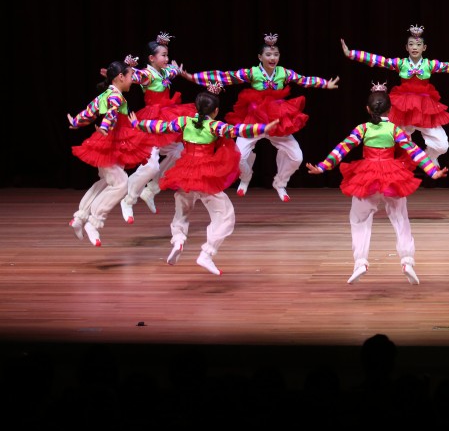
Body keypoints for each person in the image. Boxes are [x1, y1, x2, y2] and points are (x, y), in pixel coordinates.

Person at [305, 83, 448, 285]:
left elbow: (342, 148)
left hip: (367, 177)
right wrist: (432, 171)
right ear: (390, 110)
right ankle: (407, 260)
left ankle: (360, 262)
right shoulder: (394, 129)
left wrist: (323, 166)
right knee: (400, 218)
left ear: (367, 109)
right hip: (392, 177)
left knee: (359, 218)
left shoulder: (363, 129)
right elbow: (414, 150)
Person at [132, 83, 279, 275]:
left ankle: (178, 240)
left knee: (182, 212)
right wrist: (263, 127)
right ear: (216, 111)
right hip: (206, 176)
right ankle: (207, 253)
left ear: (196, 108)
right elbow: (238, 130)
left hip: (185, 173)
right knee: (225, 216)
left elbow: (159, 127)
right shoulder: (214, 126)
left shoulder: (184, 121)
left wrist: (137, 124)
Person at [181, 33, 339, 201]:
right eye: (268, 54)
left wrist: (325, 84)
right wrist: (192, 77)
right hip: (254, 119)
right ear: (260, 57)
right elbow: (225, 76)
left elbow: (303, 80)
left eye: (276, 54)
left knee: (297, 157)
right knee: (238, 156)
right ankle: (246, 177)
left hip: (277, 120)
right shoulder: (252, 72)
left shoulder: (284, 73)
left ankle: (280, 182)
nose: (272, 58)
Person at [341, 25, 449, 167]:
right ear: (406, 47)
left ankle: (430, 157)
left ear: (424, 48)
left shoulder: (429, 64)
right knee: (398, 142)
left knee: (442, 145)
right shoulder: (401, 63)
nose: (415, 47)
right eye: (411, 44)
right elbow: (379, 60)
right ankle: (400, 167)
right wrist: (352, 54)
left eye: (418, 44)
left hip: (425, 108)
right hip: (403, 108)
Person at [67, 57, 153, 247]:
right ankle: (94, 222)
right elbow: (111, 113)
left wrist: (77, 121)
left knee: (107, 181)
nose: (132, 80)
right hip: (109, 142)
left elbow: (90, 111)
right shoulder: (115, 96)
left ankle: (81, 217)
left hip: (114, 143)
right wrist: (106, 127)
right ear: (121, 77)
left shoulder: (106, 94)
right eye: (130, 76)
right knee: (121, 184)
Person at [119, 32, 195, 223]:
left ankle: (151, 190)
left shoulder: (165, 71)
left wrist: (178, 70)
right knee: (151, 165)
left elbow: (173, 71)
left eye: (167, 55)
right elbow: (134, 76)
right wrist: (123, 72)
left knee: (180, 151)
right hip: (152, 121)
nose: (167, 59)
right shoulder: (147, 74)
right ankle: (128, 199)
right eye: (163, 55)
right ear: (151, 58)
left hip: (168, 115)